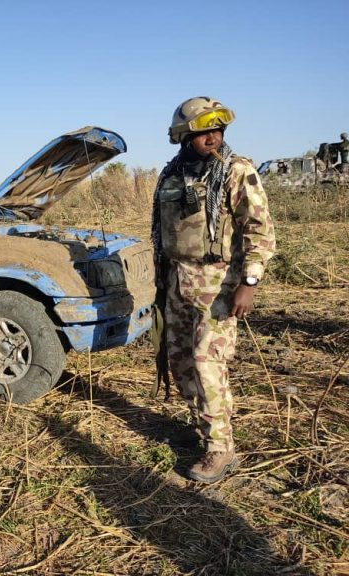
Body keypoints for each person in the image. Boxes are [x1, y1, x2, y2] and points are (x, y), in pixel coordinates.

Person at [151, 97, 276, 484]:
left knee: (208, 364)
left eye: (218, 129)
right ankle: (201, 429)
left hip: (218, 284)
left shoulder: (237, 171)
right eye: (204, 130)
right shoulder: (172, 174)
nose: (214, 137)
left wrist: (249, 282)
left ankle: (221, 449)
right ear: (184, 136)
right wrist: (160, 281)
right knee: (181, 361)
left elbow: (260, 229)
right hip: (177, 282)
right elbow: (161, 231)